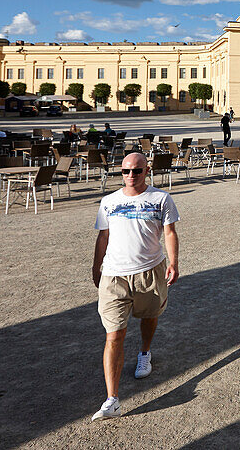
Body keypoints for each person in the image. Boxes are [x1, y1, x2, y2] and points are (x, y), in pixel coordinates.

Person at [90, 152, 180, 420]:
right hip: (114, 276)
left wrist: (173, 262)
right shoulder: (108, 202)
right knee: (113, 334)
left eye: (137, 171)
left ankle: (144, 352)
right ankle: (112, 399)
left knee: (149, 317)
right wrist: (96, 267)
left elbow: (170, 232)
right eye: (126, 171)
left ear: (147, 171)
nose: (131, 176)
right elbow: (102, 237)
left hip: (150, 271)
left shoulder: (160, 199)